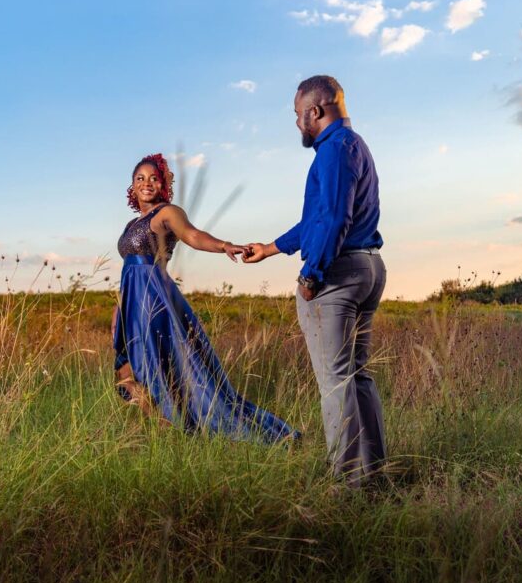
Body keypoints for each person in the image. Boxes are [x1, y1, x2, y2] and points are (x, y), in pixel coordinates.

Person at [244, 75, 386, 486]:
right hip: (369, 265)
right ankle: (373, 474)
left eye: (297, 115)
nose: (296, 123)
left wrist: (311, 274)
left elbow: (334, 220)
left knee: (335, 381)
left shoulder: (333, 152)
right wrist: (270, 248)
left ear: (316, 111)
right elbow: (316, 219)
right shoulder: (353, 145)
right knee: (356, 376)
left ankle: (347, 485)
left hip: (339, 274)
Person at [112, 152, 300, 444]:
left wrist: (223, 245)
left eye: (153, 178)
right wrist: (118, 310)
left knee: (155, 370)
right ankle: (167, 429)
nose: (147, 183)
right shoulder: (129, 226)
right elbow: (127, 272)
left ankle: (176, 432)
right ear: (132, 186)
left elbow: (192, 235)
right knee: (125, 372)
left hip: (153, 299)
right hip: (130, 302)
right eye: (140, 178)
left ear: (162, 183)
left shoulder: (167, 212)